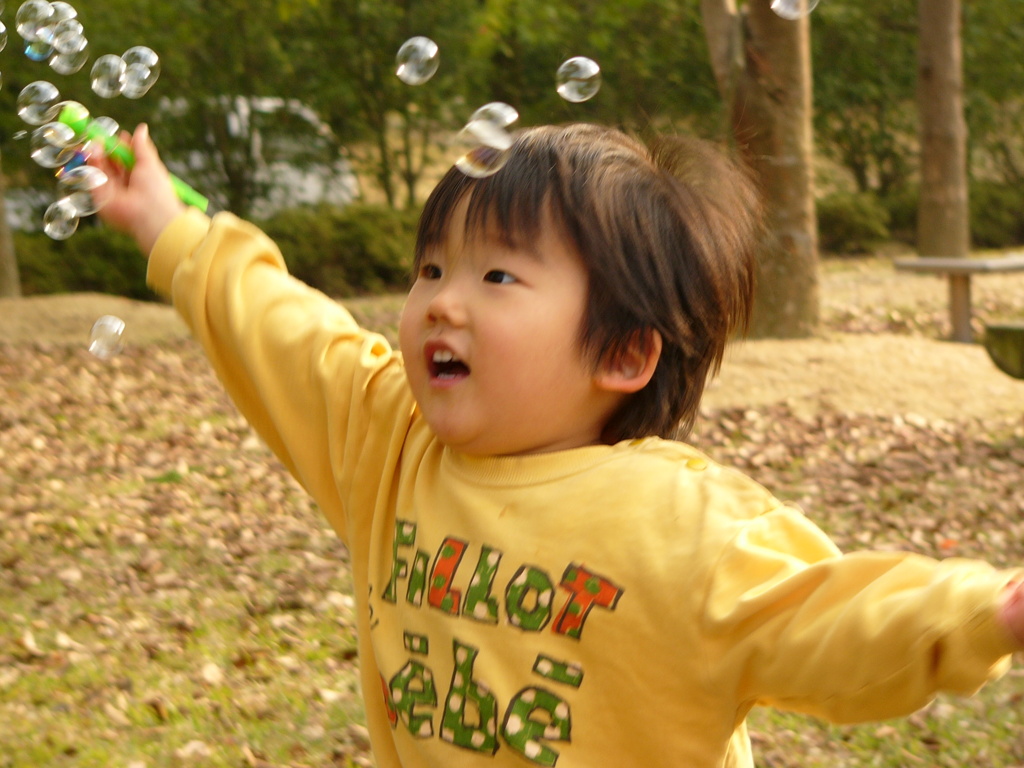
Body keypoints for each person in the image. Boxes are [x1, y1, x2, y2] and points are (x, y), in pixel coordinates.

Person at [96, 122, 1024, 768]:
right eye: (431, 267)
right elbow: (284, 330)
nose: (442, 301)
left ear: (623, 353)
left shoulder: (680, 525)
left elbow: (831, 615)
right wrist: (175, 233)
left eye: (497, 273)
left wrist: (987, 612)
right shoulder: (389, 443)